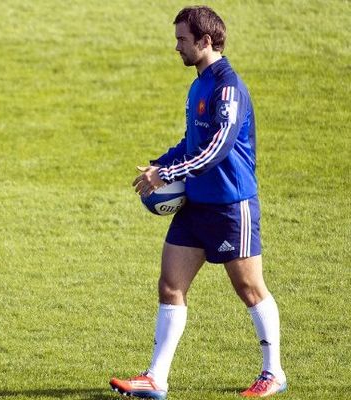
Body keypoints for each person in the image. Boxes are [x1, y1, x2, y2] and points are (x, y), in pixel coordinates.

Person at [109, 6, 287, 399]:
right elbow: (192, 144)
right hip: (196, 205)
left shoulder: (227, 87)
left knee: (250, 289)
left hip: (230, 205)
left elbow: (217, 150)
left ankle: (273, 372)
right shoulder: (198, 85)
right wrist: (162, 161)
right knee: (171, 284)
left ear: (205, 41)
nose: (176, 47)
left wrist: (168, 175)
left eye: (182, 40)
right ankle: (156, 379)